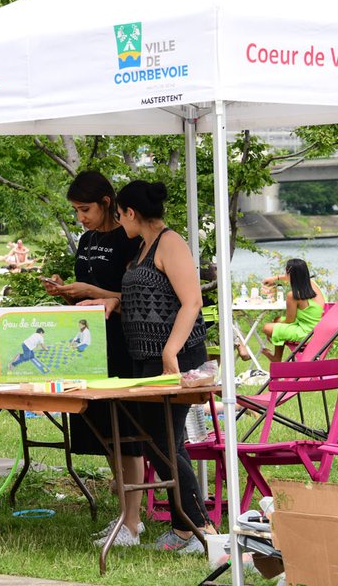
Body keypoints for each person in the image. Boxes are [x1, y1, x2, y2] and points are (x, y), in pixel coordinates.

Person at [42, 170, 145, 547]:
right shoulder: (86, 240)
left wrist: (93, 290)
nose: (81, 218)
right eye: (75, 211)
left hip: (122, 344)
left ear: (106, 202)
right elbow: (87, 296)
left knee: (127, 436)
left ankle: (133, 523)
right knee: (106, 437)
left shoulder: (128, 237)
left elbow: (131, 291)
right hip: (88, 345)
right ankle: (124, 515)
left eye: (85, 209)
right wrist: (67, 291)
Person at [114, 179, 213, 553]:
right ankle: (188, 525)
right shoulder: (141, 248)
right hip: (145, 358)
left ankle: (195, 527)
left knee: (163, 442)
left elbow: (192, 302)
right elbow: (144, 297)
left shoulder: (170, 243)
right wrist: (106, 299)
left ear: (131, 212)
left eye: (120, 215)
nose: (120, 222)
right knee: (163, 442)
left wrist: (171, 352)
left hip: (174, 358)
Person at [242, 258, 325, 362]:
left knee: (267, 327)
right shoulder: (312, 285)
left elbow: (289, 321)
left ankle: (276, 358)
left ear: (289, 273)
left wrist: (274, 325)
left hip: (305, 332)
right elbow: (291, 276)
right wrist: (275, 278)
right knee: (277, 321)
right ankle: (277, 356)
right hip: (317, 330)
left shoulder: (293, 295)